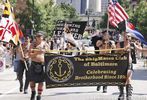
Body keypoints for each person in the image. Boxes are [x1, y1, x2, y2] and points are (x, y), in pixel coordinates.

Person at [28, 31, 48, 100]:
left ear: (42, 37)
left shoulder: (45, 44)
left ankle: (39, 95)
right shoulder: (32, 44)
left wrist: (46, 51)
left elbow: (49, 53)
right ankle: (33, 92)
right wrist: (37, 53)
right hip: (34, 63)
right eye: (38, 36)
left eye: (40, 36)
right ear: (36, 37)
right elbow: (29, 55)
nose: (39, 37)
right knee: (31, 80)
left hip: (42, 64)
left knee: (41, 81)